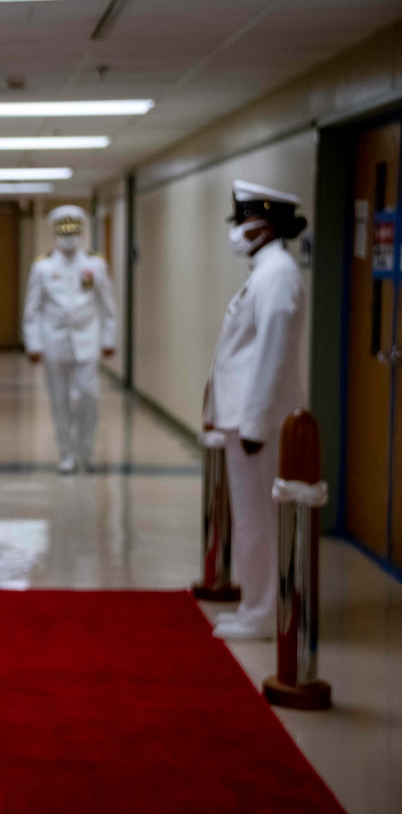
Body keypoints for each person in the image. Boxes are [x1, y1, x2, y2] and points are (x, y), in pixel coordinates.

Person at [204, 180, 308, 640]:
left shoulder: (278, 273)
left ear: (266, 224)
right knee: (250, 518)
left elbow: (273, 351)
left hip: (257, 424)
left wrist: (255, 422)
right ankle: (255, 604)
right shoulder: (266, 270)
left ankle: (263, 612)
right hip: (244, 418)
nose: (238, 229)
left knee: (257, 519)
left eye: (243, 220)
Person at [23, 205, 117, 474]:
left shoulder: (94, 264)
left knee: (88, 396)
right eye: (63, 232)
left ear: (81, 232)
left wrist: (109, 338)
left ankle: (85, 451)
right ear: (54, 233)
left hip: (87, 340)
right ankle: (66, 453)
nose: (68, 238)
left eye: (73, 232)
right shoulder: (42, 267)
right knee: (59, 400)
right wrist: (33, 344)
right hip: (54, 342)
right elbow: (33, 309)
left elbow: (107, 304)